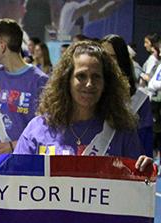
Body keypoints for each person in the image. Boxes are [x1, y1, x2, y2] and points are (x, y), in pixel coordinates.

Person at [14, 41, 153, 173]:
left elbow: (135, 190)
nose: (89, 84)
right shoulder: (38, 128)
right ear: (66, 80)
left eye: (96, 77)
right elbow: (15, 177)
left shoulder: (122, 132)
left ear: (106, 83)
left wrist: (143, 170)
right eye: (81, 76)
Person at [0, 18, 49, 161]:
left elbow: (47, 132)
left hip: (24, 165)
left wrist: (14, 146)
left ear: (2, 46)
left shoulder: (40, 82)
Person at [102, 34, 154, 157]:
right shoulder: (90, 96)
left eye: (112, 57)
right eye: (103, 57)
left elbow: (145, 148)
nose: (106, 62)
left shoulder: (139, 100)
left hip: (126, 167)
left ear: (122, 59)